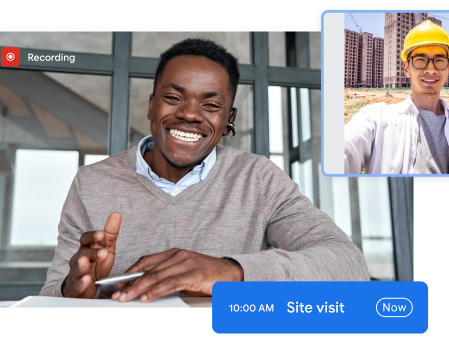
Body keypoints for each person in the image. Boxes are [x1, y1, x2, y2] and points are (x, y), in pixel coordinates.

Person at [39, 38, 369, 303]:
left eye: (211, 105)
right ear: (151, 105)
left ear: (229, 121)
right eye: (173, 97)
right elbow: (52, 294)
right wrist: (75, 290)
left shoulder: (259, 179)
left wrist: (232, 272)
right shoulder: (91, 182)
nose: (191, 115)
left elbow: (349, 267)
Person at [344, 20, 449, 174]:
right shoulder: (377, 119)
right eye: (421, 60)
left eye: (439, 60)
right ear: (406, 68)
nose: (431, 69)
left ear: (448, 67)